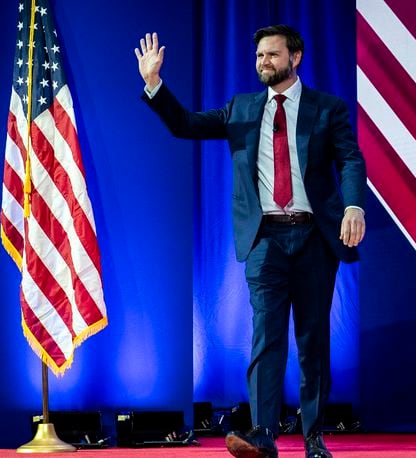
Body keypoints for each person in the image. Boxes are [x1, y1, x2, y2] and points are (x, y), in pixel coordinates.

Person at [135, 25, 366, 458]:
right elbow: (185, 124)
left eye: (272, 55)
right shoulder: (240, 109)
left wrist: (353, 206)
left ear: (295, 57)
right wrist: (154, 84)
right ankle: (263, 435)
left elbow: (350, 159)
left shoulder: (326, 109)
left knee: (313, 339)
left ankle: (314, 437)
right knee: (267, 337)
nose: (263, 62)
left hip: (315, 237)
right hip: (266, 240)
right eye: (259, 56)